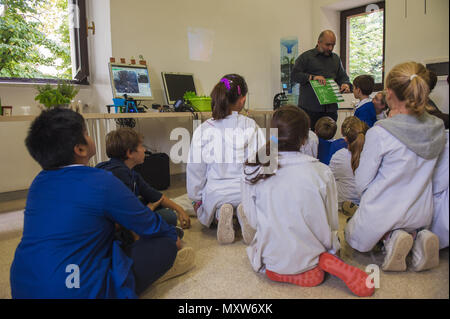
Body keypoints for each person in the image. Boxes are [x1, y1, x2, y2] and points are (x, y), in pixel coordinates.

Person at [10, 108, 194, 298]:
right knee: (165, 243)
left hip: (24, 285)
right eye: (86, 133)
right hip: (76, 288)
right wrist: (171, 237)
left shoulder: (38, 184)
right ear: (80, 149)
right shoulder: (101, 180)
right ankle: (159, 273)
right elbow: (147, 222)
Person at [240, 105, 374, 297]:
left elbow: (253, 221)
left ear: (274, 134)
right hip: (313, 246)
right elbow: (331, 222)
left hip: (273, 254)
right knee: (330, 239)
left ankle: (283, 267)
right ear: (305, 138)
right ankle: (320, 259)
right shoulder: (322, 171)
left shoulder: (253, 170)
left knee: (264, 250)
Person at [345, 62, 446, 272]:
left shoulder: (380, 133)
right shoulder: (438, 129)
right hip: (421, 210)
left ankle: (390, 238)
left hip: (383, 210)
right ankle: (418, 236)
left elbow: (362, 181)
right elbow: (438, 179)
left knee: (351, 235)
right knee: (412, 222)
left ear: (389, 93)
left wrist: (363, 200)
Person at [187, 74, 265, 244]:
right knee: (255, 204)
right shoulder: (251, 126)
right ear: (243, 100)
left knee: (208, 208)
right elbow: (264, 164)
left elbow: (196, 171)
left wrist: (196, 199)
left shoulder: (203, 130)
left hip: (217, 194)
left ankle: (220, 213)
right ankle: (245, 213)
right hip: (247, 192)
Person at [96, 128, 191, 246]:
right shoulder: (119, 176)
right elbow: (125, 219)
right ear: (130, 153)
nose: (145, 150)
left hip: (127, 217)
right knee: (168, 217)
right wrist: (150, 208)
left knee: (168, 214)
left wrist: (180, 210)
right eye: (141, 146)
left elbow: (156, 196)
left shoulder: (130, 173)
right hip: (113, 230)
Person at [291, 30, 351, 130]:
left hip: (330, 109)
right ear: (319, 42)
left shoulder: (336, 59)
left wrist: (345, 84)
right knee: (309, 140)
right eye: (327, 45)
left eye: (333, 45)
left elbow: (343, 77)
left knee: (328, 139)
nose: (330, 48)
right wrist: (312, 77)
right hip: (309, 109)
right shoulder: (306, 57)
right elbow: (294, 76)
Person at [329, 116, 368, 212]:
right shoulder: (375, 156)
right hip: (365, 205)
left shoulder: (340, 156)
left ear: (345, 139)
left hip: (341, 205)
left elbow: (329, 180)